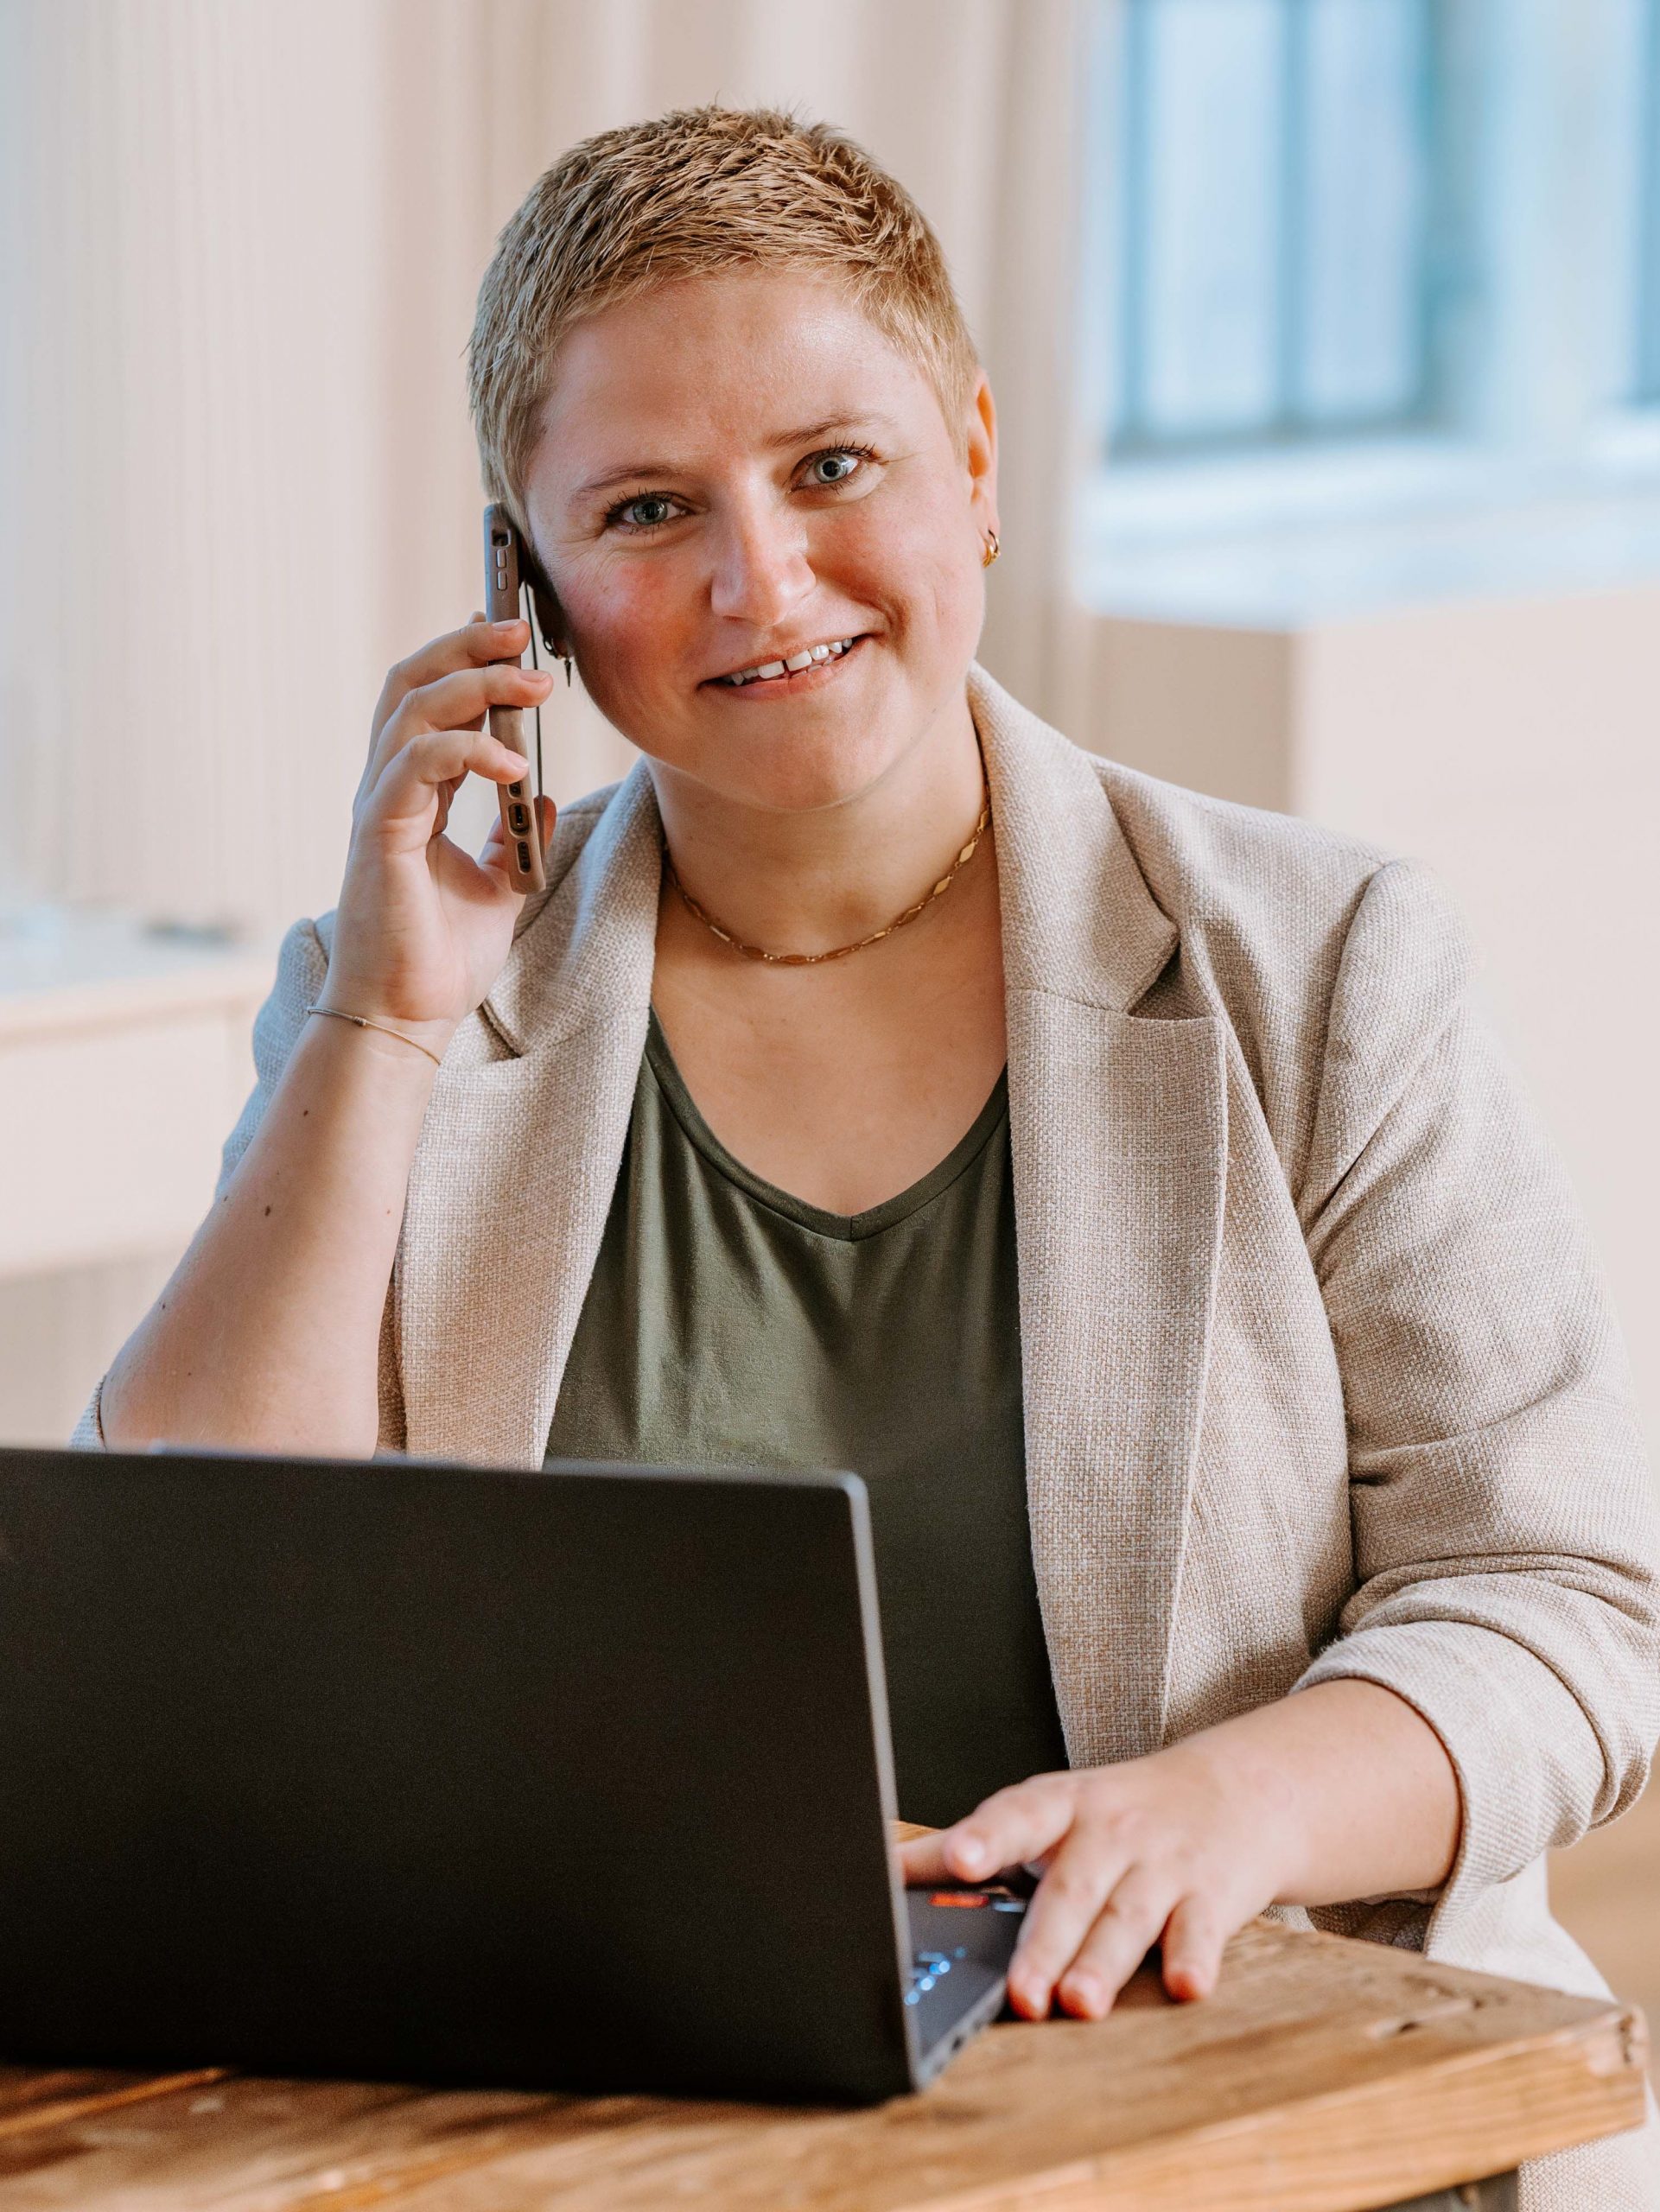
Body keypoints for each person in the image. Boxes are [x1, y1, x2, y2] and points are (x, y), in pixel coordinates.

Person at [77, 105, 1657, 2207]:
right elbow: (201, 1610)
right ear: (523, 590)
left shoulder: (1324, 958)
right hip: (627, 2121)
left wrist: (1220, 1807)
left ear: (978, 465)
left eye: (834, 466)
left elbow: (1560, 1597)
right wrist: (381, 1013)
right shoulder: (408, 1001)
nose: (762, 579)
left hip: (1227, 2094)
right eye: (646, 508)